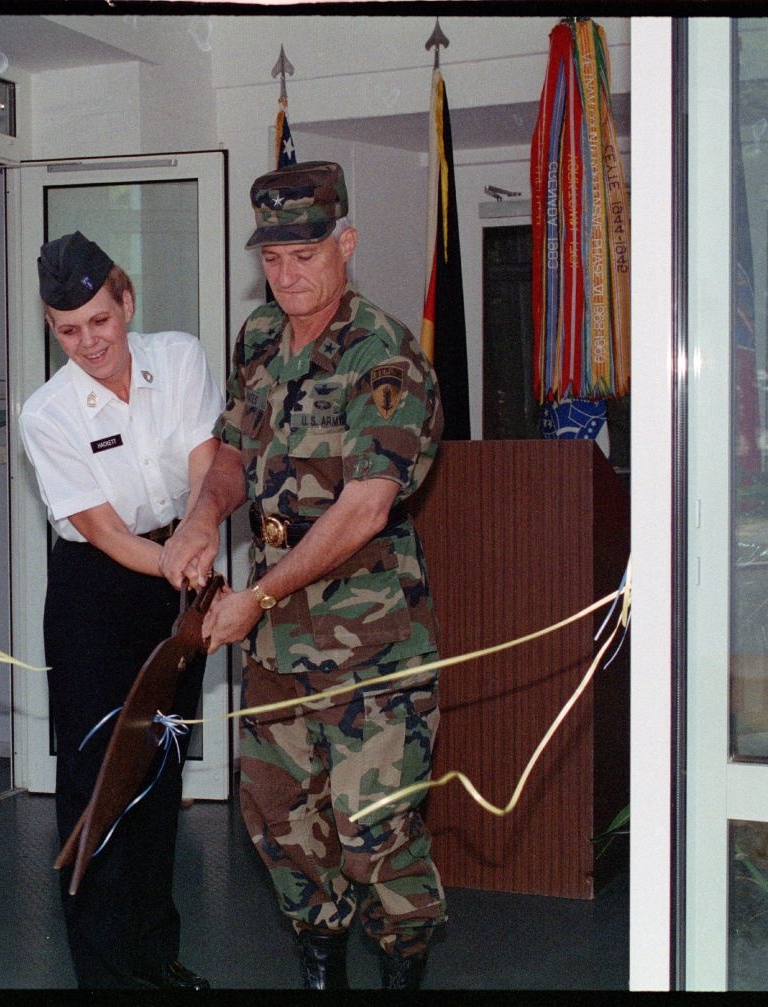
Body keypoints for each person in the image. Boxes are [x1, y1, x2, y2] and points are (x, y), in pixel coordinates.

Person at [160, 161, 447, 990]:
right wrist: (203, 517)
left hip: (375, 650)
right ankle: (322, 974)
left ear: (345, 244)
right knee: (283, 828)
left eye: (306, 254)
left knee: (375, 835)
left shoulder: (383, 355)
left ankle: (402, 970)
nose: (288, 275)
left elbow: (365, 505)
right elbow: (231, 455)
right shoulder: (258, 339)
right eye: (274, 258)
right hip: (280, 648)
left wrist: (262, 593)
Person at [18, 231, 222, 990]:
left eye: (99, 321)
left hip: (179, 562)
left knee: (159, 769)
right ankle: (107, 976)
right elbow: (103, 531)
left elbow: (206, 461)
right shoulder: (48, 412)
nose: (88, 342)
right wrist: (179, 562)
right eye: (68, 330)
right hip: (95, 592)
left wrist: (195, 539)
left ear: (125, 301)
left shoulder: (180, 358)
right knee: (100, 784)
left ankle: (154, 958)